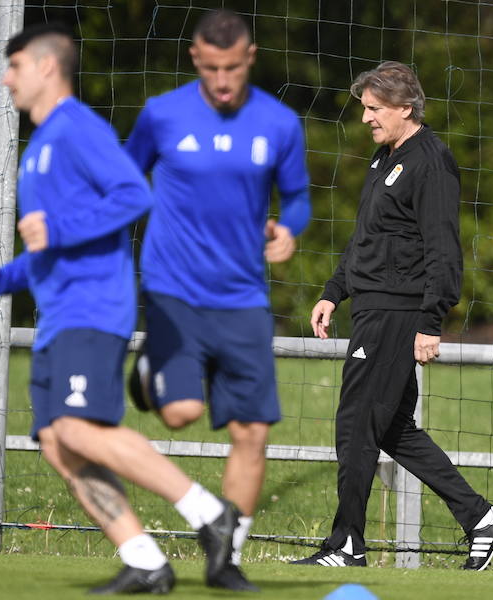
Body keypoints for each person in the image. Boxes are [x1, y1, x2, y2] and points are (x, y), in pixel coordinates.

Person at [0, 24, 246, 594]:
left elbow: (133, 194)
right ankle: (144, 558)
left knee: (77, 428)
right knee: (56, 442)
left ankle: (208, 513)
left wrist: (59, 229)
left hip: (92, 310)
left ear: (47, 67)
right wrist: (4, 277)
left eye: (15, 65)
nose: (7, 78)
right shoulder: (40, 146)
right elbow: (50, 246)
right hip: (58, 315)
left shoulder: (75, 128)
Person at [291, 61, 493, 570]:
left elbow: (443, 250)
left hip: (396, 313)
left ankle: (346, 545)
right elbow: (368, 239)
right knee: (390, 428)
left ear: (405, 108)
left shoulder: (431, 162)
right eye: (364, 108)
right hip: (370, 307)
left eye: (374, 109)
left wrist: (431, 321)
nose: (366, 118)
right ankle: (481, 519)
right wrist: (333, 291)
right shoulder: (382, 158)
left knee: (355, 426)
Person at [124, 8, 311, 589]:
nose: (223, 81)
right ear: (195, 62)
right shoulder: (161, 114)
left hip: (243, 298)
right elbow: (124, 182)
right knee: (180, 415)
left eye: (232, 68)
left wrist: (289, 230)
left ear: (249, 59)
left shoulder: (279, 124)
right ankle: (153, 366)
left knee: (252, 432)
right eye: (212, 69)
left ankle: (224, 557)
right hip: (173, 289)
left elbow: (299, 197)